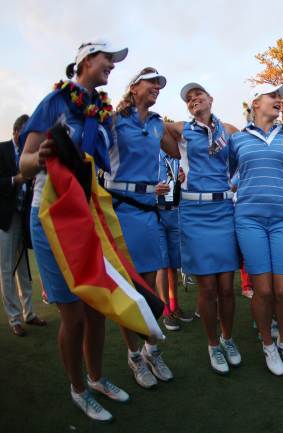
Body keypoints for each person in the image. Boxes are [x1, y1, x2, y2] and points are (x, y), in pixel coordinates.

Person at [20, 39, 130, 422]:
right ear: (85, 61)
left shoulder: (101, 113)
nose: (112, 66)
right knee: (74, 315)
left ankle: (97, 378)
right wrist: (42, 156)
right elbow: (26, 161)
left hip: (88, 217)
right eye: (107, 59)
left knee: (98, 310)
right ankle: (78, 388)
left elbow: (104, 163)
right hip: (50, 215)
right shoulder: (53, 103)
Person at [229, 83, 283, 375]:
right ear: (256, 102)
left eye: (281, 98)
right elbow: (227, 176)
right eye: (273, 96)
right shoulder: (237, 140)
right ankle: (267, 344)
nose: (279, 101)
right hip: (249, 219)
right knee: (262, 290)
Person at [162, 82, 242, 375]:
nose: (194, 99)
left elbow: (242, 160)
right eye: (189, 98)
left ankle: (228, 339)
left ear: (211, 98)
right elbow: (158, 128)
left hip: (223, 210)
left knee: (227, 287)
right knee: (208, 287)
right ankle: (212, 345)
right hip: (195, 212)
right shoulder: (183, 129)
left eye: (198, 95)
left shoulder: (229, 129)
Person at [109, 67, 175, 388]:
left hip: (149, 212)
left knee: (149, 287)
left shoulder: (157, 124)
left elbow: (178, 149)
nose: (157, 89)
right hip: (121, 212)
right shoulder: (112, 120)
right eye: (152, 84)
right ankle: (134, 355)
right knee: (129, 289)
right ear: (134, 87)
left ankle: (151, 348)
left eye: (160, 86)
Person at [1, 114, 47, 336]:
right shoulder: (2, 150)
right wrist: (17, 179)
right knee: (7, 268)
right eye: (27, 133)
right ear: (17, 132)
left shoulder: (32, 153)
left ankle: (29, 313)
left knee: (24, 268)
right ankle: (14, 318)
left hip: (25, 216)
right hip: (6, 219)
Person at [155, 151, 193, 331]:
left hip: (175, 212)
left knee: (173, 263)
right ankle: (165, 311)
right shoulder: (151, 154)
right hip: (156, 212)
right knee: (162, 263)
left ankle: (174, 305)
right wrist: (152, 188)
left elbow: (185, 184)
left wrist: (183, 179)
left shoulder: (178, 157)